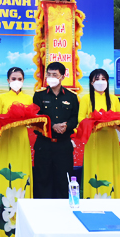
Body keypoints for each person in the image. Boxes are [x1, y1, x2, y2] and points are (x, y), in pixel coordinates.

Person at [0, 67, 33, 237]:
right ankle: (1, 227)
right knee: (4, 175)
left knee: (22, 175)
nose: (16, 81)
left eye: (19, 78)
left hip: (21, 139)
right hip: (6, 140)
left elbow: (32, 120)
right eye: (13, 78)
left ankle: (24, 225)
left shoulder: (28, 98)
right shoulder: (1, 97)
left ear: (23, 80)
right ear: (8, 80)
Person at [32, 62, 79, 199]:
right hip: (44, 144)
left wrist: (67, 126)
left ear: (62, 77)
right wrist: (52, 125)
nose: (51, 77)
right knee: (42, 179)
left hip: (63, 145)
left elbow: (75, 117)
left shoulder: (71, 96)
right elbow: (36, 117)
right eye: (49, 74)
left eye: (55, 75)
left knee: (63, 180)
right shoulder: (39, 95)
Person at [78, 69, 120, 199]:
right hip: (94, 139)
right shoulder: (86, 98)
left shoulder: (114, 99)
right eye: (97, 79)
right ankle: (91, 199)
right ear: (91, 83)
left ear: (108, 82)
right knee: (94, 169)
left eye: (103, 79)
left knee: (110, 168)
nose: (100, 82)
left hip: (110, 140)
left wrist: (115, 123)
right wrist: (93, 124)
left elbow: (119, 118)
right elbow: (80, 119)